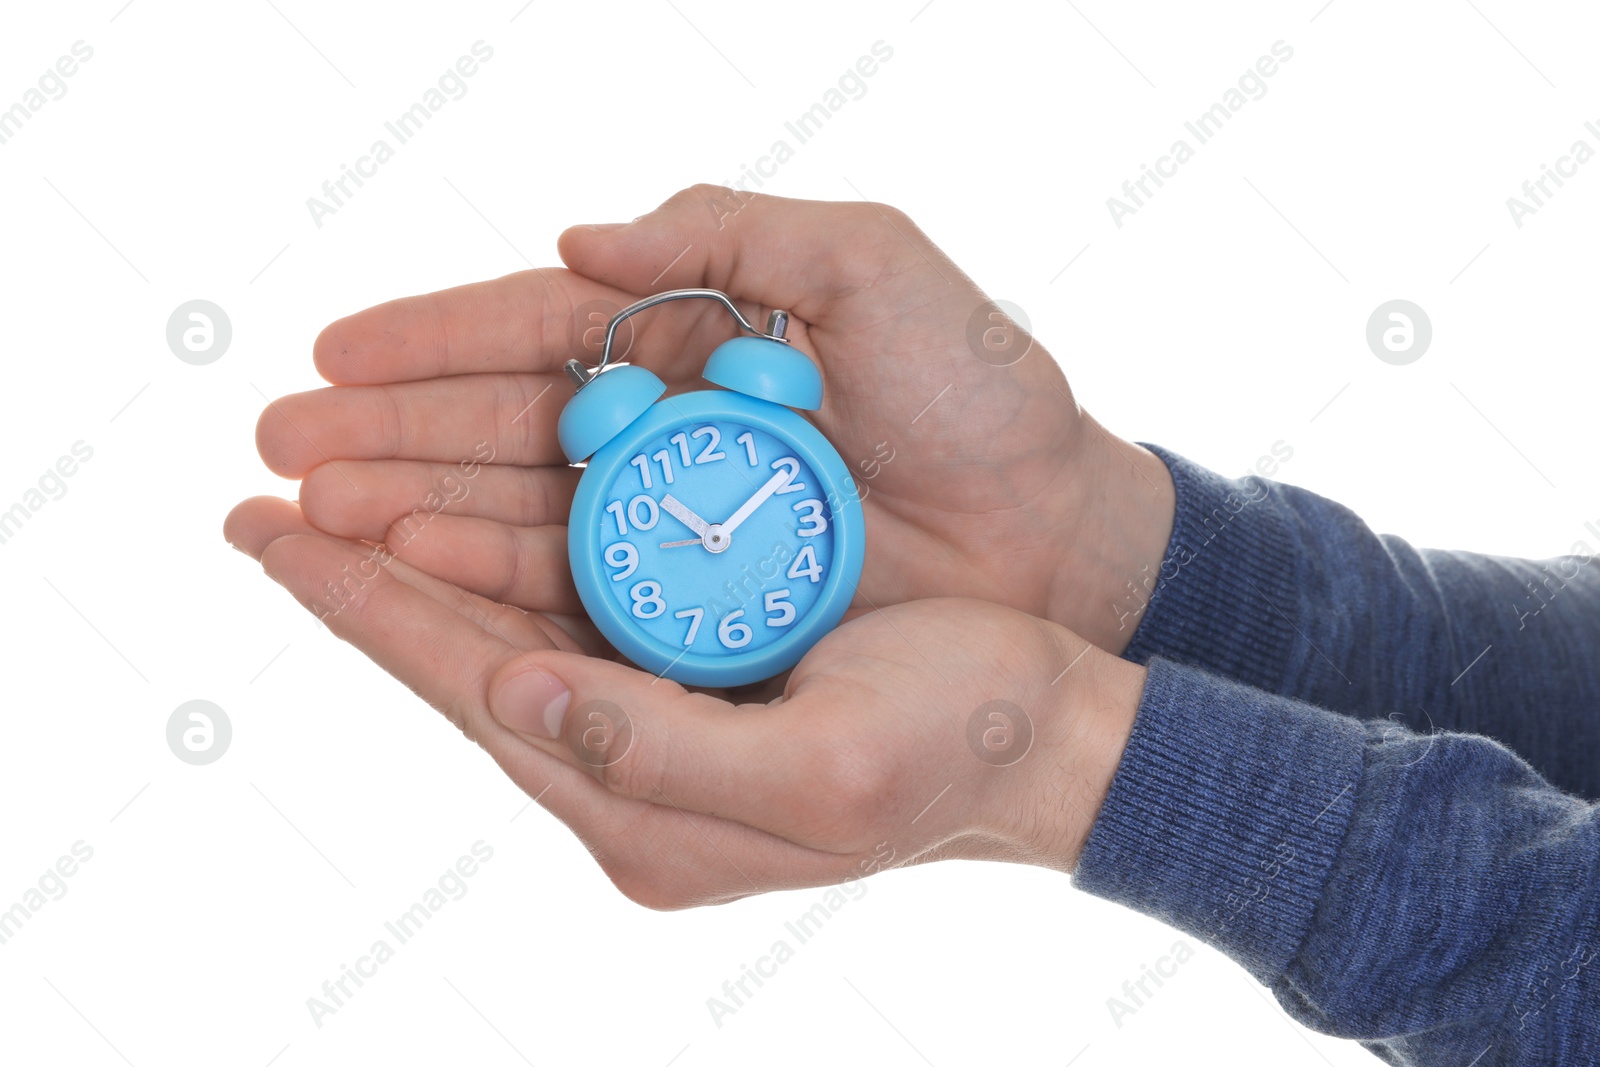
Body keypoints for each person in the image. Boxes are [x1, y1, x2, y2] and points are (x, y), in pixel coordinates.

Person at [225, 186, 1599, 1066]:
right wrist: (1125, 564)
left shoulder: (742, 463)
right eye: (699, 529)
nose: (716, 531)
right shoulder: (741, 448)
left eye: (733, 516)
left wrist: (1070, 752)